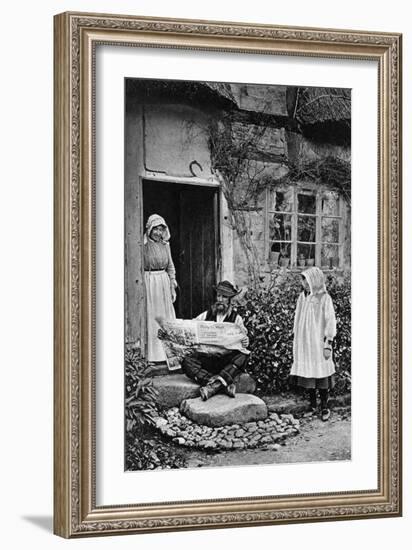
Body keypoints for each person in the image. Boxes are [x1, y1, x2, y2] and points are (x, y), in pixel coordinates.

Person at [181, 280, 250, 400]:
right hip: (208, 359)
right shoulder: (206, 315)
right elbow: (191, 326)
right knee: (186, 360)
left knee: (244, 355)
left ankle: (213, 387)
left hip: (225, 361)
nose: (220, 299)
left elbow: (243, 337)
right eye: (218, 295)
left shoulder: (236, 318)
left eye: (224, 297)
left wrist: (245, 341)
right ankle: (219, 384)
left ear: (229, 300)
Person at [290, 267, 337, 421]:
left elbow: (330, 321)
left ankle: (324, 406)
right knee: (308, 373)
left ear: (314, 280)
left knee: (321, 374)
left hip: (318, 342)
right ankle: (312, 405)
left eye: (305, 279)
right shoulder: (302, 297)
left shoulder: (324, 298)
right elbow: (298, 318)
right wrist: (297, 337)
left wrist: (328, 342)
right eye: (302, 280)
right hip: (305, 342)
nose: (303, 283)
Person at [144, 214, 178, 363]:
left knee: (165, 319)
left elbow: (170, 267)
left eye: (160, 229)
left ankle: (168, 355)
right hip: (150, 283)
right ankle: (153, 356)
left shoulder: (166, 245)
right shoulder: (143, 245)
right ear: (149, 229)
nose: (158, 233)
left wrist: (172, 285)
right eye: (155, 229)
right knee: (152, 318)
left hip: (163, 283)